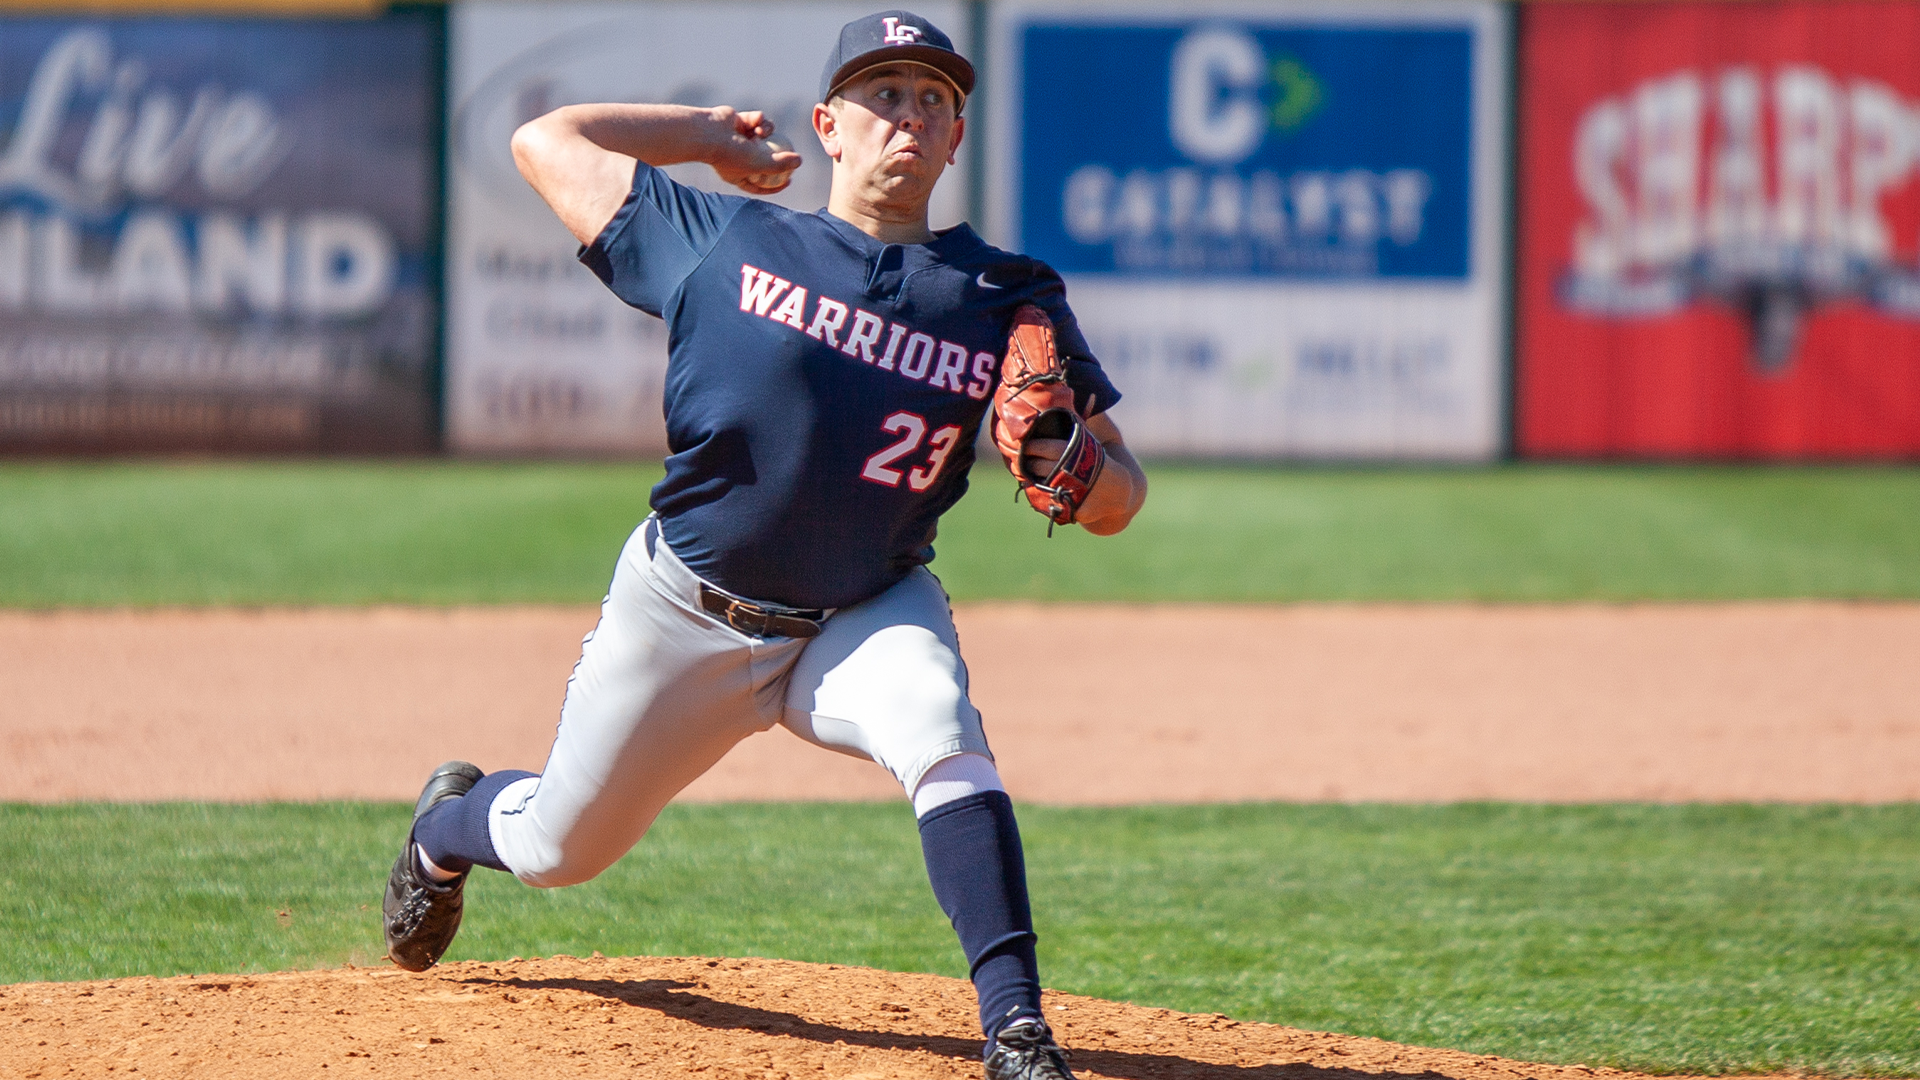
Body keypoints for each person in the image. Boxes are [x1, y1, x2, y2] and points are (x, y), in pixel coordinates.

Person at [380, 11, 1145, 1079]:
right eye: (884, 94)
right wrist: (703, 136)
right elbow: (543, 140)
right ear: (828, 125)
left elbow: (1119, 497)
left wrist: (1078, 466)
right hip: (687, 611)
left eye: (934, 99)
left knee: (940, 727)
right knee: (558, 847)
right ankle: (444, 829)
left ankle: (1016, 1029)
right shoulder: (726, 239)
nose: (910, 117)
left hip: (865, 609)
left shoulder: (1004, 297)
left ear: (958, 136)